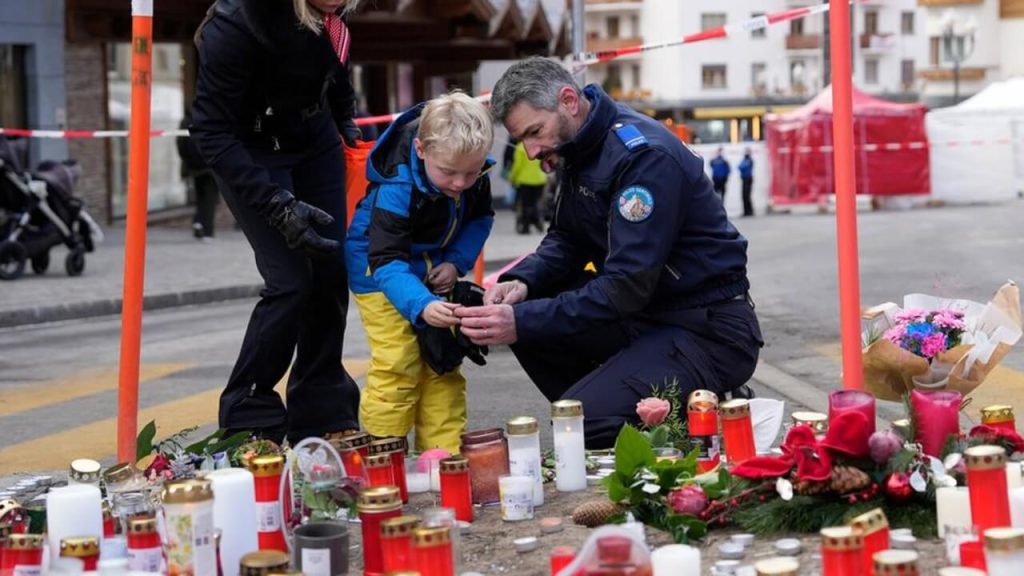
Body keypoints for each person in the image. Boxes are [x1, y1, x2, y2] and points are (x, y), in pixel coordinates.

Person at [456, 57, 763, 448]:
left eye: (535, 132)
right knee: (529, 310)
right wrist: (521, 282)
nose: (531, 152)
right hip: (649, 316)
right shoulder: (579, 148)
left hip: (706, 330)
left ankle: (705, 414)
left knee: (581, 422)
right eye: (523, 140)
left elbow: (625, 286)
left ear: (569, 101)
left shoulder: (643, 157)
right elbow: (567, 238)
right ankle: (613, 401)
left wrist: (521, 320)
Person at [190, 0, 364, 445]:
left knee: (329, 273)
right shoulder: (234, 27)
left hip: (314, 139)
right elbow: (210, 132)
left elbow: (334, 65)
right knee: (291, 283)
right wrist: (275, 205)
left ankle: (322, 412)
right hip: (250, 151)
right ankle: (250, 417)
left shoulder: (331, 12)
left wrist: (344, 114)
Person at [345, 91, 495, 452]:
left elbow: (480, 219)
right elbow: (385, 259)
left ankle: (442, 455)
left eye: (470, 173)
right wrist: (421, 305)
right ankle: (386, 449)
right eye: (449, 172)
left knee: (442, 360)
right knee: (399, 361)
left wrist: (455, 262)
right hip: (379, 274)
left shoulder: (473, 172)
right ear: (421, 149)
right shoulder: (396, 188)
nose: (460, 183)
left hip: (431, 268)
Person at [176, 112, 220, 240]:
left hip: (194, 168)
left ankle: (198, 221)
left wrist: (188, 162)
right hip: (210, 166)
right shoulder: (210, 115)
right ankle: (207, 231)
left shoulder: (186, 119)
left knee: (200, 196)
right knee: (209, 198)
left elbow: (180, 144)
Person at [508, 140, 546, 234]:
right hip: (540, 179)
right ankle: (537, 220)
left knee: (525, 204)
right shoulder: (540, 145)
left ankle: (526, 226)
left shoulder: (521, 147)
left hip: (525, 180)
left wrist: (512, 178)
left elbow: (517, 165)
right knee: (536, 202)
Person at [738, 148, 754, 217]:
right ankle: (746, 211)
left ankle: (749, 211)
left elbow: (743, 167)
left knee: (747, 195)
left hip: (748, 179)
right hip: (744, 179)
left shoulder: (750, 160)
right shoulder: (744, 160)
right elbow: (739, 166)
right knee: (744, 196)